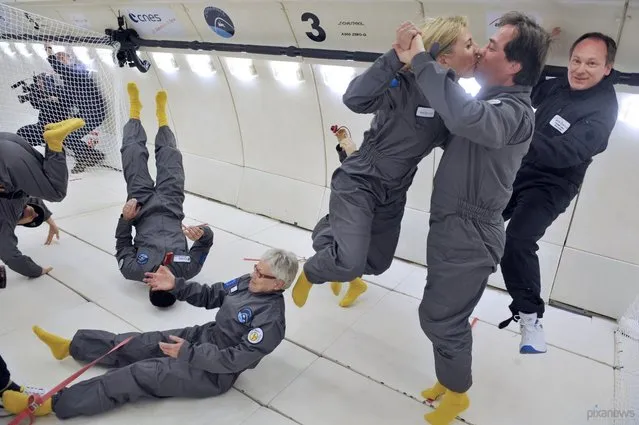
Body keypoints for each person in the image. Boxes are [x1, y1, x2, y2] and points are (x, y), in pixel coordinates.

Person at [393, 13, 552, 424]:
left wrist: (424, 64)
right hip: (451, 225)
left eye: (494, 47)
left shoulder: (516, 112)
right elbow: (456, 124)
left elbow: (465, 120)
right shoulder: (485, 101)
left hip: (470, 232)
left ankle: (458, 394)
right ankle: (448, 381)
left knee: (440, 318)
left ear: (515, 65)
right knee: (440, 311)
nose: (482, 50)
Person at [292, 17, 479, 308]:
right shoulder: (403, 82)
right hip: (361, 181)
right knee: (349, 262)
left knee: (377, 263)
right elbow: (355, 99)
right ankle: (314, 265)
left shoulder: (455, 100)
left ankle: (342, 244)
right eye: (468, 45)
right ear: (443, 58)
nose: (476, 50)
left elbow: (461, 145)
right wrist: (395, 58)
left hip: (394, 193)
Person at [1, 248, 298, 420]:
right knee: (142, 342)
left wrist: (188, 354)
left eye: (261, 274)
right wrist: (176, 286)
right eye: (255, 268)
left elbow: (234, 360)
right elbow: (212, 294)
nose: (253, 275)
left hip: (213, 371)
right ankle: (73, 346)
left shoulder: (271, 322)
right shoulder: (248, 281)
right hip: (205, 336)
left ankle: (53, 404)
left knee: (141, 373)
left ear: (279, 285)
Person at [497, 31, 619, 353]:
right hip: (521, 167)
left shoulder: (603, 109)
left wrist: (518, 130)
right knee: (478, 214)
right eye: (576, 61)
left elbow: (563, 154)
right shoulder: (557, 85)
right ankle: (463, 274)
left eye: (591, 63)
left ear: (607, 67)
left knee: (518, 241)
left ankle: (530, 317)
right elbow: (524, 88)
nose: (580, 69)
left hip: (553, 184)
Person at [115, 83, 215, 308]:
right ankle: (162, 117)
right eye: (165, 283)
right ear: (174, 285)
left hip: (141, 205)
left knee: (132, 152)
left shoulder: (132, 270)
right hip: (171, 202)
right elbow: (207, 242)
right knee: (170, 156)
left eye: (154, 284)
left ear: (149, 285)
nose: (159, 278)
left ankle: (134, 110)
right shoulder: (189, 268)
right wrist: (202, 234)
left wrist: (126, 218)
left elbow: (122, 244)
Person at [45, 44, 106, 173]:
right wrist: (53, 97)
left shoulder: (78, 71)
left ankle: (85, 158)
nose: (60, 59)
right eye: (58, 57)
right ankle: (93, 155)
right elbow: (67, 97)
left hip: (95, 112)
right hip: (84, 112)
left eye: (62, 57)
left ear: (70, 59)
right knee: (65, 135)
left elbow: (63, 70)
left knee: (70, 137)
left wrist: (49, 52)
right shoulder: (67, 79)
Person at [0, 118, 85, 203]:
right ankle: (51, 131)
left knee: (56, 193)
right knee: (46, 174)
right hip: (8, 138)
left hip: (7, 157)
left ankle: (54, 142)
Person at [0, 192, 61, 279]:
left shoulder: (7, 218)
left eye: (33, 219)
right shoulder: (8, 218)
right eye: (36, 211)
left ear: (21, 223)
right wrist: (37, 271)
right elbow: (10, 256)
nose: (35, 214)